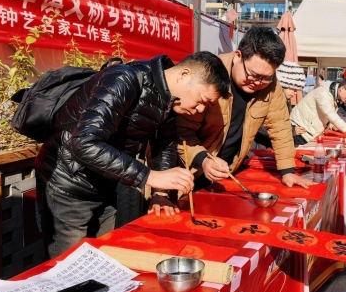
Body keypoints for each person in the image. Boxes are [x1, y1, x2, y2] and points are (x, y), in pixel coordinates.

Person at [35, 52, 230, 258]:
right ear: (184, 75)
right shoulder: (123, 79)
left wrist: (160, 193)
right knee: (69, 270)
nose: (199, 110)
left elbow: (164, 146)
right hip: (68, 185)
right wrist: (150, 176)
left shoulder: (170, 99)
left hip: (106, 183)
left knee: (103, 260)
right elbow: (84, 143)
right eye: (202, 100)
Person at [177, 27, 312, 189]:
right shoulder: (208, 74)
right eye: (253, 75)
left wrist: (287, 171)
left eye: (266, 78)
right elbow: (180, 129)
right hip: (187, 170)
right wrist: (202, 159)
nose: (257, 82)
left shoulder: (271, 85)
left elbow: (280, 127)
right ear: (238, 56)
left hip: (228, 170)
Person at [252, 61, 307, 148]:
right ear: (285, 84)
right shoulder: (270, 98)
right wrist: (291, 130)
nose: (296, 93)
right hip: (258, 146)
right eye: (294, 89)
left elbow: (280, 122)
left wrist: (291, 128)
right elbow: (263, 126)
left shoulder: (285, 100)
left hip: (267, 145)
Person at [290, 78, 346, 145]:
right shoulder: (323, 93)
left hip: (308, 131)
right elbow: (329, 113)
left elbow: (326, 116)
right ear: (342, 89)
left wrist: (332, 126)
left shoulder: (334, 96)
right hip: (299, 130)